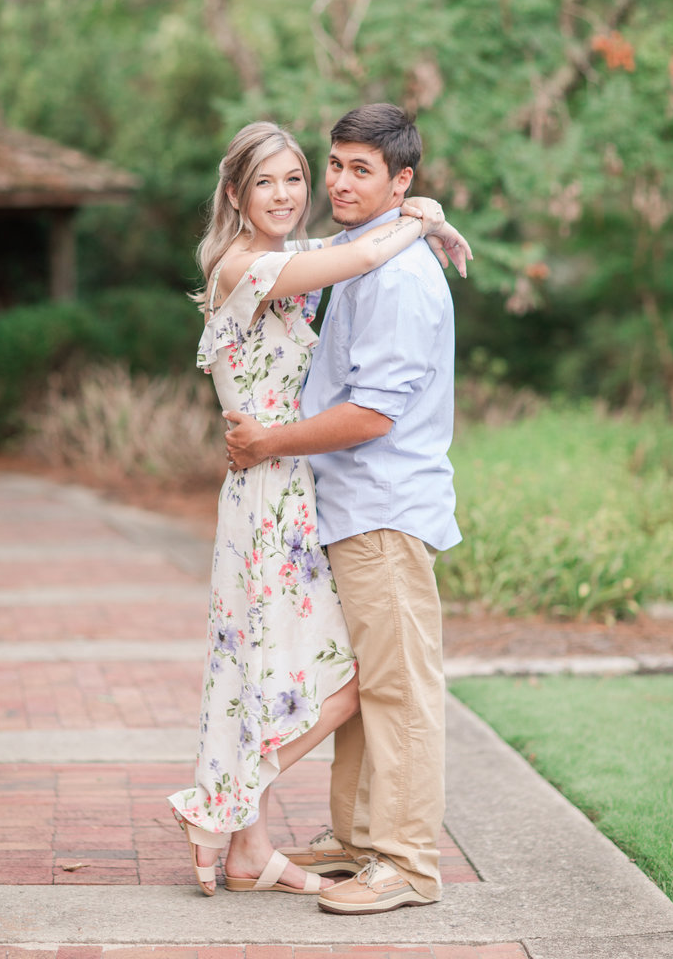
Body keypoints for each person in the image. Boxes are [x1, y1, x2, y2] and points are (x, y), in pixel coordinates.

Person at [168, 120, 468, 898]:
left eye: (348, 171)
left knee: (367, 682)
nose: (326, 185)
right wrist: (420, 214)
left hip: (346, 493)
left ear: (395, 180)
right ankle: (319, 835)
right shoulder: (283, 261)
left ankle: (386, 858)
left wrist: (421, 213)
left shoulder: (363, 264)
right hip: (293, 496)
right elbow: (364, 246)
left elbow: (373, 412)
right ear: (235, 194)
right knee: (313, 673)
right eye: (326, 167)